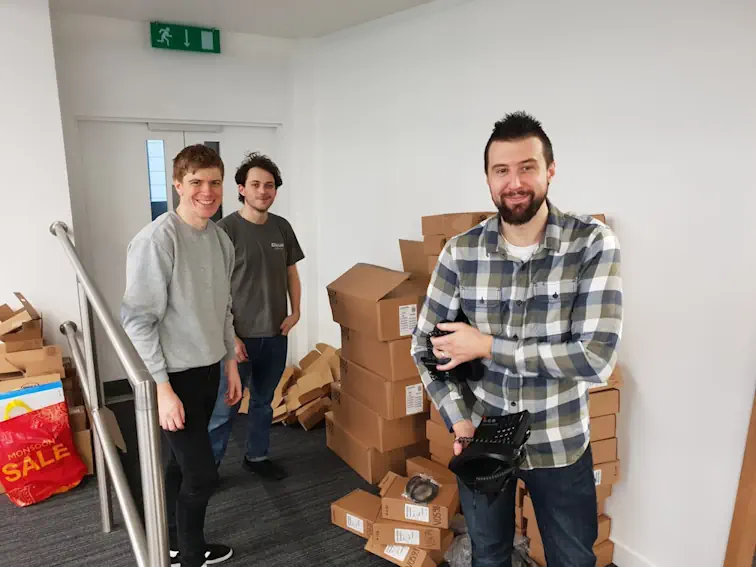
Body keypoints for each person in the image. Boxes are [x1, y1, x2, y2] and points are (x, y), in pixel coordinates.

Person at [411, 111, 623, 567]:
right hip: (483, 436)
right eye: (501, 170)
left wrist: (486, 346)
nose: (515, 181)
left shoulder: (592, 244)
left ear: (550, 169)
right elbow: (423, 347)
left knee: (572, 559)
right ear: (488, 179)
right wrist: (459, 419)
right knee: (488, 556)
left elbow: (595, 360)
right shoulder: (461, 251)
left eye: (527, 167)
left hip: (560, 440)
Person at [121, 144, 243, 567]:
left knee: (179, 464)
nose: (206, 192)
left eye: (213, 183)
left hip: (209, 370)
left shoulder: (220, 239)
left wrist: (230, 364)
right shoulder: (157, 239)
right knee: (202, 475)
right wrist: (162, 390)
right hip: (172, 377)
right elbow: (137, 321)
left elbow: (224, 310)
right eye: (196, 182)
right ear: (177, 184)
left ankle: (172, 540)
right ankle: (190, 556)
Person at [208, 152, 304, 480]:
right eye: (256, 185)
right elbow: (214, 289)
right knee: (225, 408)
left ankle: (258, 457)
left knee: (263, 403)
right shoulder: (224, 230)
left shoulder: (282, 227)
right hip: (238, 338)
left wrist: (297, 312)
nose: (263, 191)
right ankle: (209, 470)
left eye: (270, 185)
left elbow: (292, 273)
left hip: (275, 334)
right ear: (241, 189)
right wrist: (229, 335)